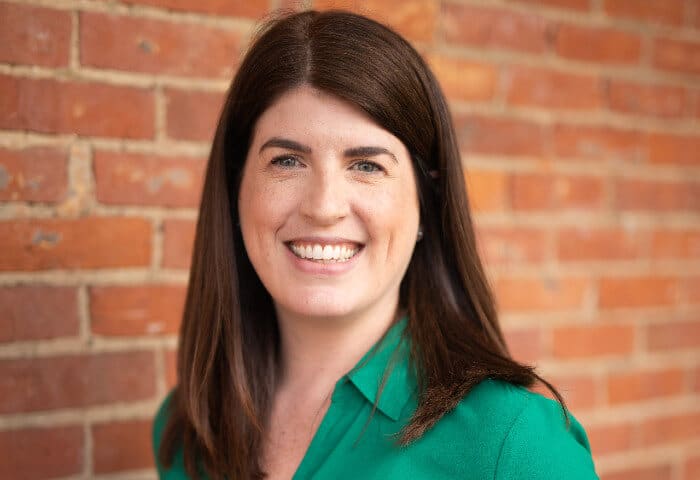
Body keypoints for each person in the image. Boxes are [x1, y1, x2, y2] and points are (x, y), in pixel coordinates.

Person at [152, 9, 599, 480]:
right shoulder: (188, 427)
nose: (324, 207)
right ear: (235, 188)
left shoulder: (514, 442)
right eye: (287, 160)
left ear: (427, 202)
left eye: (367, 166)